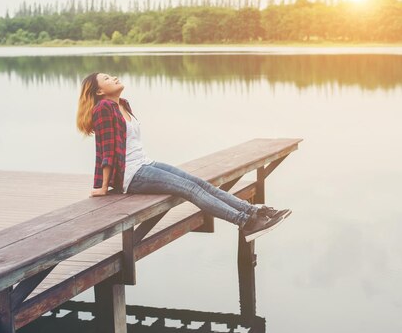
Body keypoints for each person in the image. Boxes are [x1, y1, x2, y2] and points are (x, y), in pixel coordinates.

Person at [76, 72, 291, 242]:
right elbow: (107, 149)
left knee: (199, 183)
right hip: (130, 175)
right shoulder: (103, 108)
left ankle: (253, 212)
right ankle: (245, 223)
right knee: (191, 190)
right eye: (106, 78)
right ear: (99, 91)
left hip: (144, 164)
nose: (113, 77)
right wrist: (104, 186)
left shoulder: (122, 104)